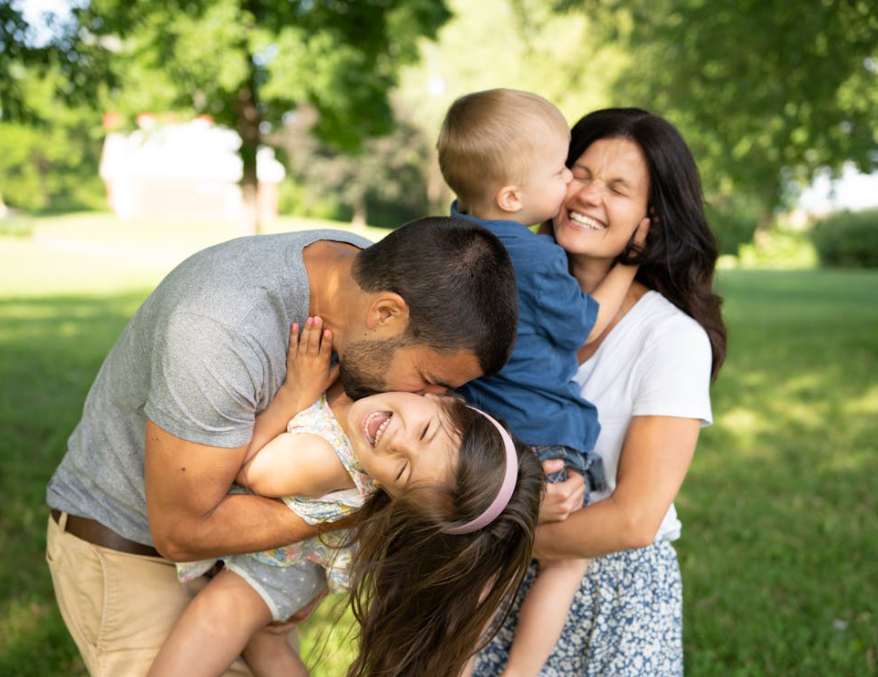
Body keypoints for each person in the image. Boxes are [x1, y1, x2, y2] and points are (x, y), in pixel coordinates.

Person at [45, 216, 520, 676]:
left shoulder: (359, 278)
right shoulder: (221, 330)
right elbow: (181, 532)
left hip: (234, 563)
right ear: (386, 314)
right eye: (430, 380)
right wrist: (352, 512)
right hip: (133, 553)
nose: (427, 399)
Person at [469, 107, 728, 677]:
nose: (587, 195)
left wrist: (491, 535)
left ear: (650, 219)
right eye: (579, 174)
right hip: (480, 585)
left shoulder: (672, 339)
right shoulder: (488, 288)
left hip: (606, 594)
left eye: (617, 187)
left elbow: (634, 519)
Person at [149, 318, 544, 677]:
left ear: (393, 494)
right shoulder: (381, 389)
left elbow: (250, 470)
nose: (396, 441)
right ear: (445, 398)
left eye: (403, 471)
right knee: (265, 646)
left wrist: (295, 393)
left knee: (218, 617)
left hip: (276, 569)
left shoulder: (324, 460)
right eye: (424, 432)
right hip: (303, 561)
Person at [437, 89, 648, 677]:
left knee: (477, 569)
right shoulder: (532, 259)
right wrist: (630, 263)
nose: (570, 187)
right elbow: (583, 323)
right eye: (563, 171)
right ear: (513, 196)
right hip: (546, 436)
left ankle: (455, 664)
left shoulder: (448, 236)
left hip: (479, 436)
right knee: (564, 563)